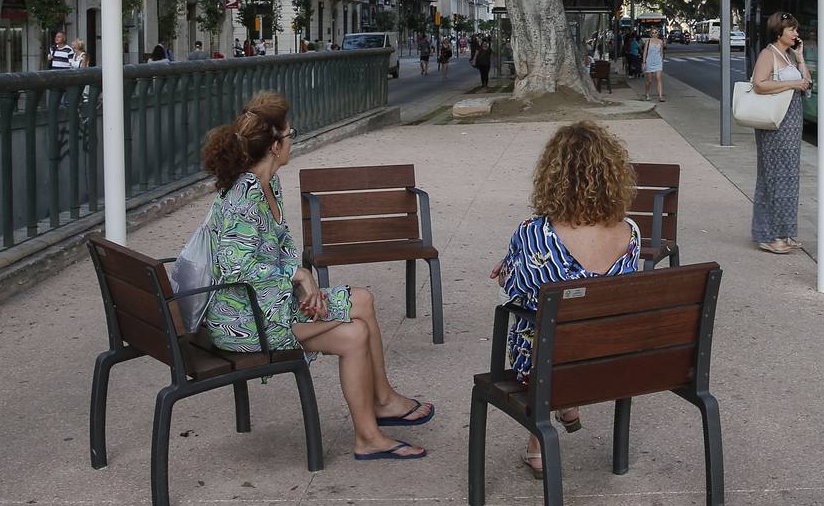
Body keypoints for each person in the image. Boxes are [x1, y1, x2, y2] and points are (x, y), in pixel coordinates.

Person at [201, 92, 434, 459]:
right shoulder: (244, 197)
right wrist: (297, 275)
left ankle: (370, 432)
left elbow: (279, 248)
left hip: (269, 305)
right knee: (362, 303)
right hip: (247, 322)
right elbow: (236, 268)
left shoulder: (267, 185)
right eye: (291, 133)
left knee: (355, 330)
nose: (294, 138)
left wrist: (302, 278)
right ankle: (382, 404)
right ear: (276, 146)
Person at [490, 121, 641, 478]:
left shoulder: (535, 234)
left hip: (547, 363)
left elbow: (511, 293)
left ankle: (539, 444)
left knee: (535, 325)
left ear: (551, 176)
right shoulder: (630, 232)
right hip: (609, 358)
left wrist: (513, 260)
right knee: (571, 326)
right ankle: (568, 406)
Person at [749, 12, 812, 254]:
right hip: (775, 125)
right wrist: (792, 84)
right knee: (773, 178)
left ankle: (785, 232)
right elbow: (759, 83)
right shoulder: (768, 54)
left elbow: (807, 83)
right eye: (791, 29)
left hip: (791, 124)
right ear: (779, 32)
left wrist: (801, 59)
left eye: (796, 29)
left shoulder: (788, 56)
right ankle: (768, 235)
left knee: (788, 179)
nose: (796, 33)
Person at [641, 26, 665, 102]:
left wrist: (662, 61)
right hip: (649, 62)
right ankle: (647, 93)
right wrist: (644, 62)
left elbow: (661, 52)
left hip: (658, 62)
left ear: (658, 33)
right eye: (653, 33)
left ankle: (660, 96)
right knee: (649, 81)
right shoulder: (648, 42)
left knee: (659, 79)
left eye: (656, 32)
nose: (654, 34)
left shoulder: (661, 42)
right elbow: (645, 52)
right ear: (650, 34)